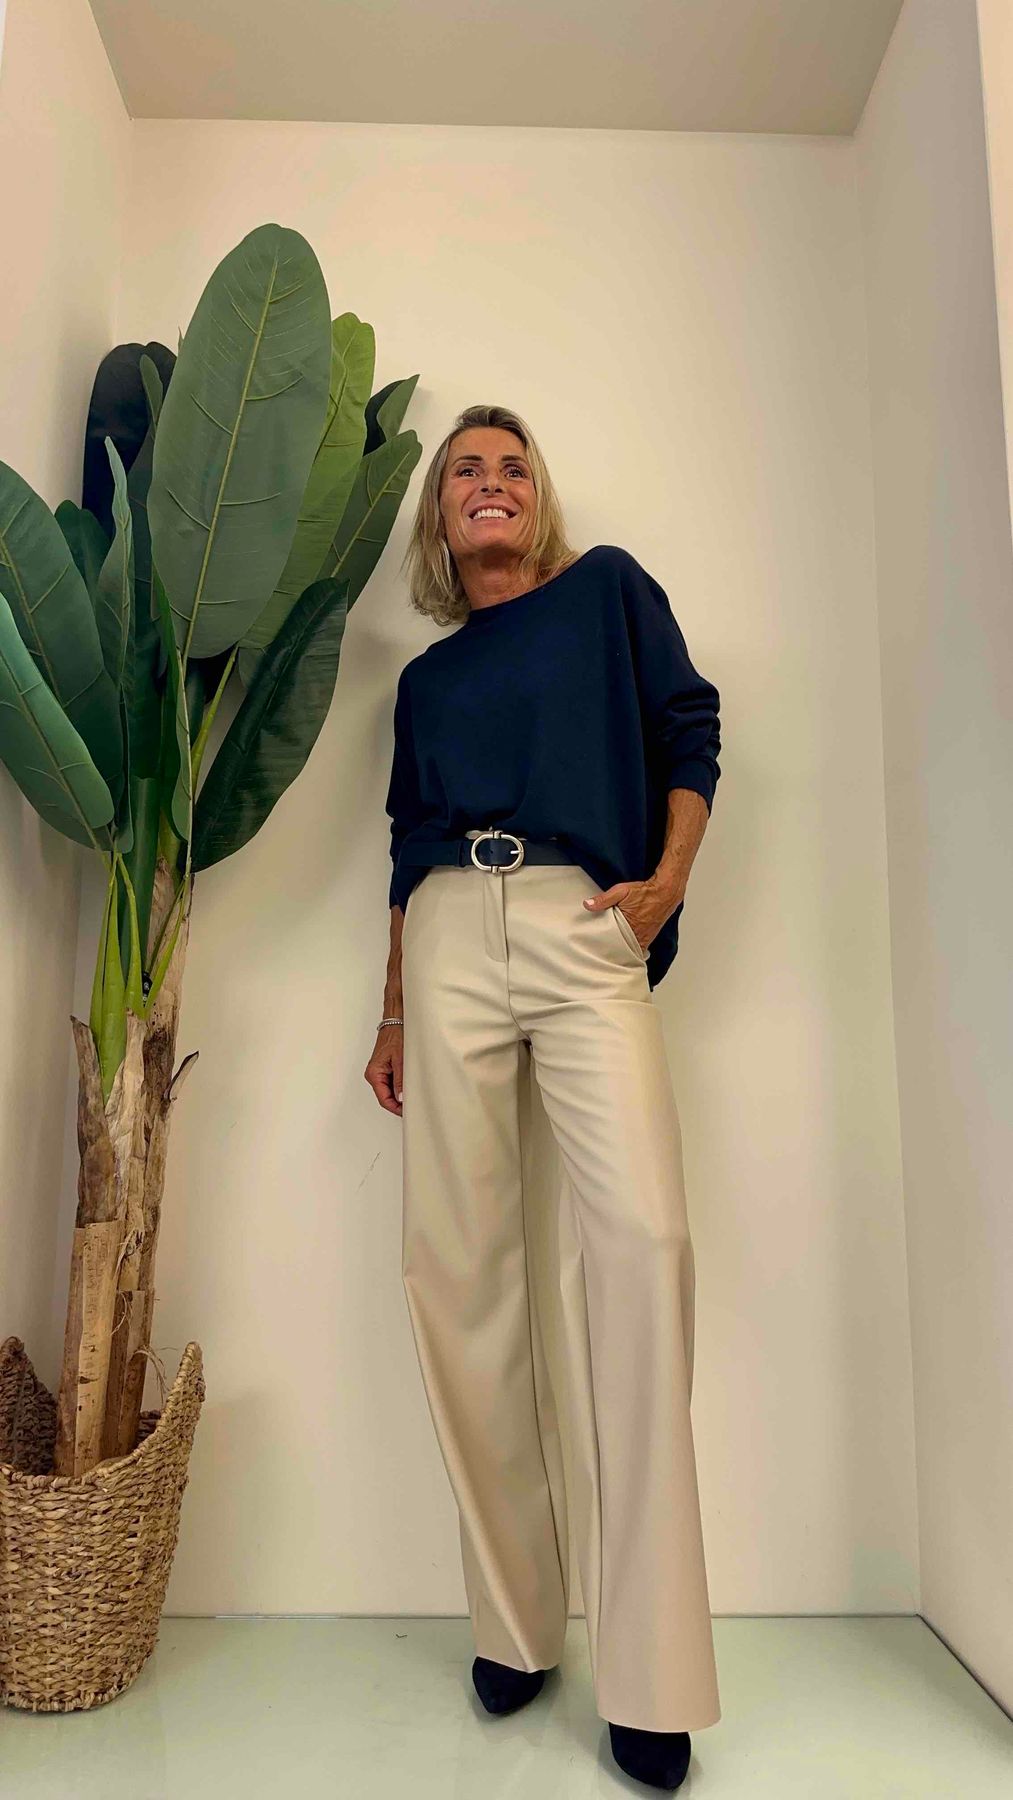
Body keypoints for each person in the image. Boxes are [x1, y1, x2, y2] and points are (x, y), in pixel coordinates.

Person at [363, 403, 722, 1793]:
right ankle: (515, 1624)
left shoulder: (607, 594)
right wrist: (392, 1008)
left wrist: (665, 886)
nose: (491, 482)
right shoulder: (425, 683)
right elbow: (406, 850)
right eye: (466, 470)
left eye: (512, 466)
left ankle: (654, 1675)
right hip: (449, 934)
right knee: (456, 1269)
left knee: (643, 1246)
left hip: (584, 921)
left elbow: (689, 731)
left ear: (540, 500)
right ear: (441, 522)